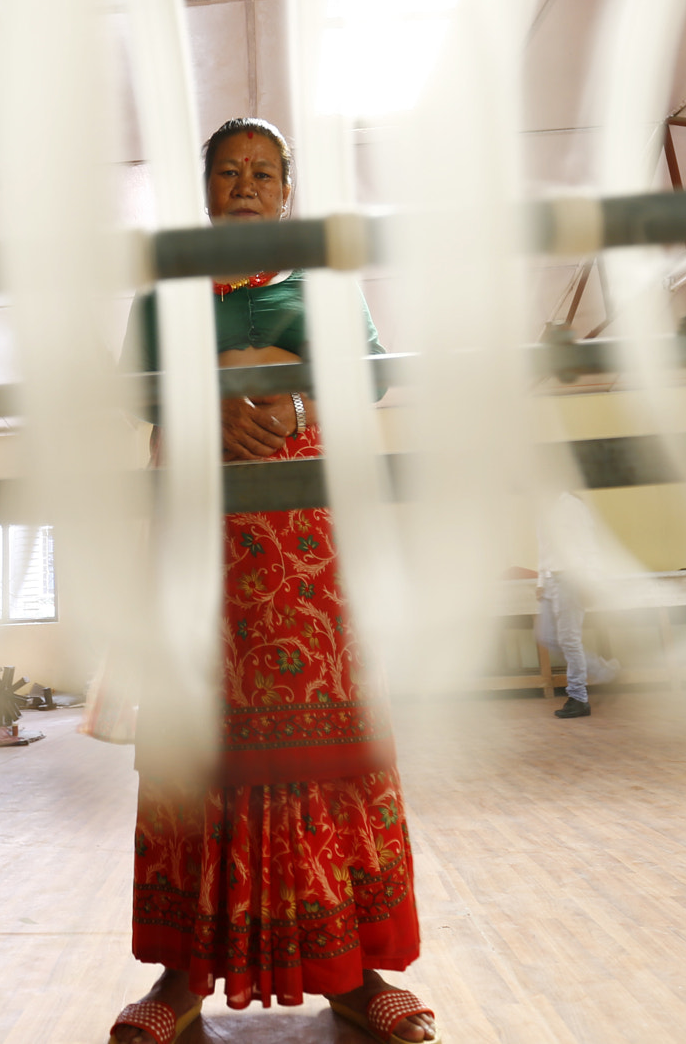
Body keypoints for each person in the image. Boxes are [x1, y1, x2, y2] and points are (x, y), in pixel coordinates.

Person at [107, 118, 437, 1044]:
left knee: (328, 736)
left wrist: (299, 397)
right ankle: (179, 978)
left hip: (307, 549)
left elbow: (368, 377)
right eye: (228, 170)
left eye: (263, 172)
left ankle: (352, 971)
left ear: (287, 191)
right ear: (204, 186)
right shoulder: (165, 294)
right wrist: (205, 402)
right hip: (200, 549)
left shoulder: (323, 284)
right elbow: (135, 390)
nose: (245, 184)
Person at [535, 489, 619, 719]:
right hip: (552, 579)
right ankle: (604, 671)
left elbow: (589, 546)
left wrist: (591, 581)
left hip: (572, 578)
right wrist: (541, 579)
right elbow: (544, 548)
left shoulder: (571, 505)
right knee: (547, 636)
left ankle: (579, 698)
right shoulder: (543, 507)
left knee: (568, 639)